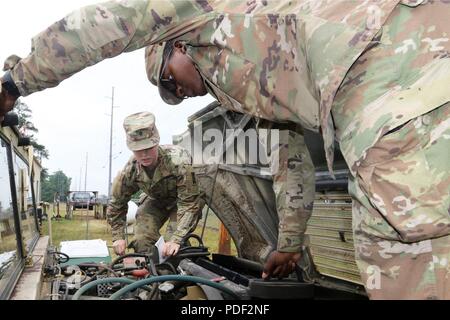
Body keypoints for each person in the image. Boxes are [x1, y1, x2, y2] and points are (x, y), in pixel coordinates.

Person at [0, 0, 449, 299]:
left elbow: (109, 24)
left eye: (170, 83)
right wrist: (289, 244)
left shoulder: (204, 10)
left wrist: (17, 82)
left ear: (175, 42)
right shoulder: (263, 76)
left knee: (402, 263)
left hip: (393, 66)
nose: (181, 94)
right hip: (399, 64)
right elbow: (290, 157)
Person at [108, 111, 204, 259]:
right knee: (142, 238)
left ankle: (178, 276)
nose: (144, 155)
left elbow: (189, 204)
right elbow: (116, 204)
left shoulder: (178, 161)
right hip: (156, 200)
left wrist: (176, 240)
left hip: (184, 202)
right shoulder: (130, 171)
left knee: (172, 245)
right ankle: (148, 275)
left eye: (148, 148)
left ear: (156, 142)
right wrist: (118, 237)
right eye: (138, 150)